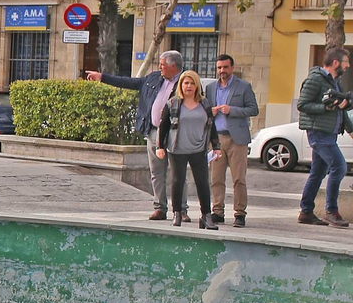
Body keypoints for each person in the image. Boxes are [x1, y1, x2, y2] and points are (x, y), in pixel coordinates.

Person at [86, 50, 185, 220]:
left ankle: (181, 210)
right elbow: (130, 82)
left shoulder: (187, 81)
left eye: (162, 64)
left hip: (177, 133)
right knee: (156, 172)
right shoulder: (154, 78)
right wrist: (103, 77)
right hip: (154, 131)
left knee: (179, 173)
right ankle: (160, 207)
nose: (160, 67)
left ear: (173, 66)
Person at [156, 69, 221, 229]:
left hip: (199, 149)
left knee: (202, 182)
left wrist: (217, 147)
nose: (189, 86)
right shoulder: (173, 103)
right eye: (186, 83)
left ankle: (206, 216)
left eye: (192, 83)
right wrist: (160, 146)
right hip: (177, 148)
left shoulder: (205, 104)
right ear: (181, 85)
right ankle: (177, 213)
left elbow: (211, 127)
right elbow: (163, 126)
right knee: (177, 181)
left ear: (197, 85)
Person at [297, 46, 353, 228]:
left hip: (330, 133)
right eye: (346, 62)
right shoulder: (315, 79)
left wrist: (350, 128)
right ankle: (331, 211)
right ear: (335, 62)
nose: (348, 65)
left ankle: (306, 212)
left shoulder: (336, 82)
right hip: (318, 132)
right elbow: (303, 104)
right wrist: (326, 108)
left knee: (318, 172)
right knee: (339, 166)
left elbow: (340, 110)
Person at [204, 55, 258, 228]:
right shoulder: (211, 88)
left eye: (225, 67)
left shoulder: (244, 87)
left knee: (238, 179)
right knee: (216, 178)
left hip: (237, 139)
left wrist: (231, 110)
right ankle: (217, 211)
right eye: (219, 68)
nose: (222, 71)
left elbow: (253, 109)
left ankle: (240, 213)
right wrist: (210, 111)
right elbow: (204, 110)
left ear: (232, 68)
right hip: (217, 139)